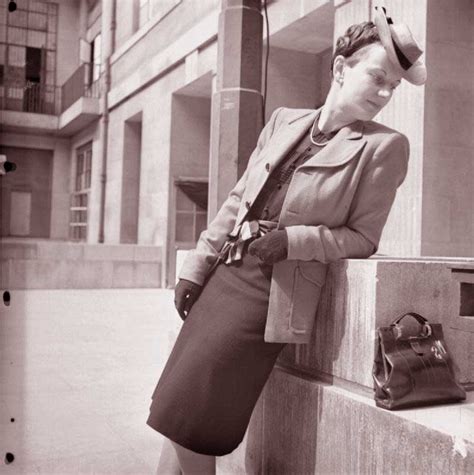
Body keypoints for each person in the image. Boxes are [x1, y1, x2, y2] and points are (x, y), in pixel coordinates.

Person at [147, 7, 427, 474]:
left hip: (268, 297)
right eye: (377, 77)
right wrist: (197, 267)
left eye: (392, 86)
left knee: (197, 419)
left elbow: (362, 238)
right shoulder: (283, 121)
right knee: (178, 412)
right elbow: (238, 201)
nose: (383, 93)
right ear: (341, 67)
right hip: (224, 279)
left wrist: (293, 240)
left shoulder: (384, 146)